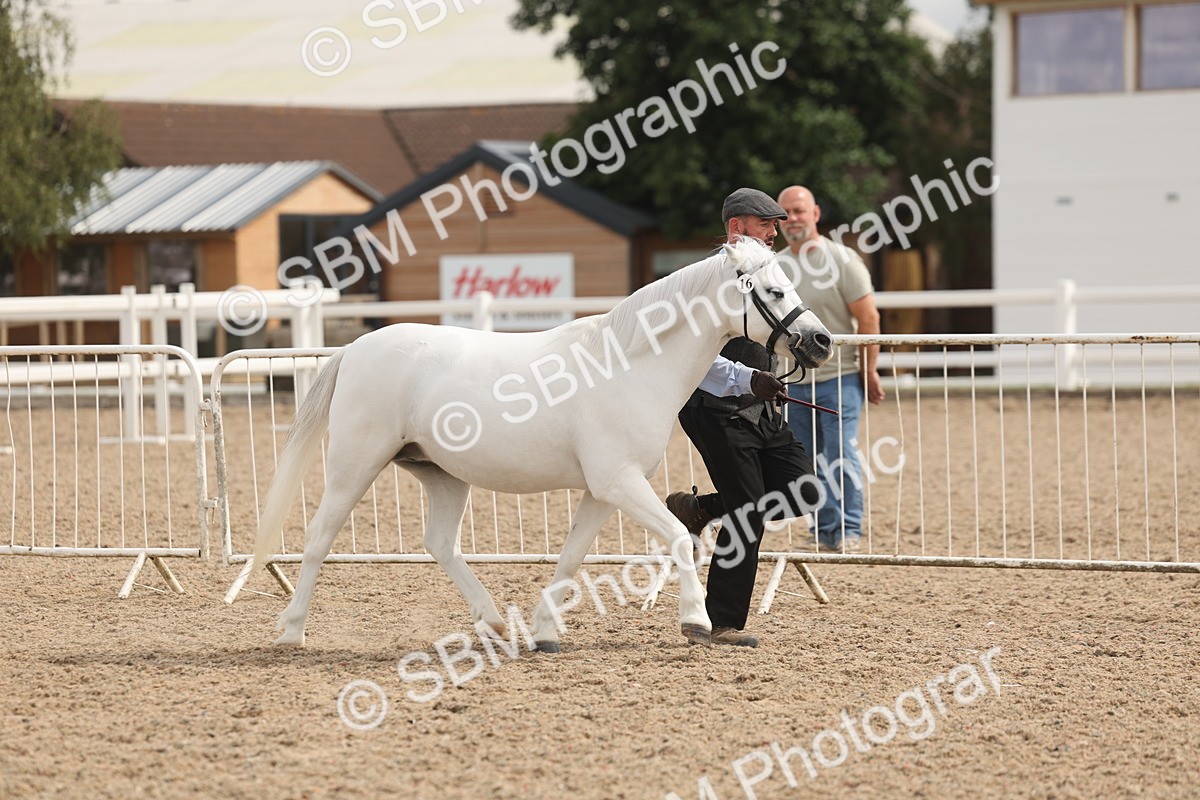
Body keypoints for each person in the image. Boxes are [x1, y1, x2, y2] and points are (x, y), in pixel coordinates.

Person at [665, 187, 821, 648]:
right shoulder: (703, 280)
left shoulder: (763, 271)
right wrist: (749, 380)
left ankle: (701, 509)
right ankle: (721, 624)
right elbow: (688, 353)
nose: (775, 231)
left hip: (763, 409)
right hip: (714, 408)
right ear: (737, 228)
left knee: (803, 490)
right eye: (765, 224)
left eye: (776, 224)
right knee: (750, 512)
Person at [776, 185, 884, 552]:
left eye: (800, 210)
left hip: (840, 377)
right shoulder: (775, 267)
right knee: (806, 459)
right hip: (795, 381)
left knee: (841, 454)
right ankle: (823, 530)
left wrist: (869, 370)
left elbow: (868, 319)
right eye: (786, 212)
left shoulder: (842, 260)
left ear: (816, 214)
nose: (793, 219)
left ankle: (849, 529)